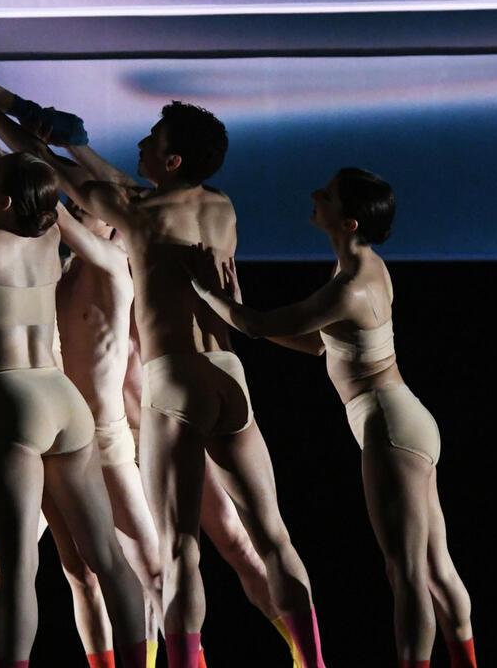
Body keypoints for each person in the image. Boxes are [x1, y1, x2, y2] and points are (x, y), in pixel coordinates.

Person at [0, 77, 329, 668]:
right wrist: (71, 145)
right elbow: (120, 187)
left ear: (172, 157)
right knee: (270, 537)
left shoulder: (134, 218)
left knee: (179, 550)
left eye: (152, 138)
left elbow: (56, 184)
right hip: (228, 372)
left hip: (174, 378)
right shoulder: (219, 208)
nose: (141, 143)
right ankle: (314, 661)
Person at [0, 59, 150, 668]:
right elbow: (28, 176)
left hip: (10, 402)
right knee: (108, 557)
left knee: (15, 570)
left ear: (4, 200)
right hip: (62, 400)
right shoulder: (49, 239)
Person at [184, 170, 477, 668]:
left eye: (327, 195)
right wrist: (240, 312)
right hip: (406, 419)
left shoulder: (350, 286)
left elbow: (259, 325)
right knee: (433, 566)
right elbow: (318, 342)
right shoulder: (365, 270)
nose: (315, 196)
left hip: (388, 426)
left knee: (405, 572)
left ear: (349, 220)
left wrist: (210, 294)